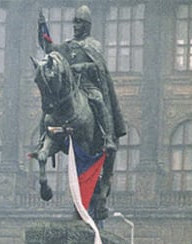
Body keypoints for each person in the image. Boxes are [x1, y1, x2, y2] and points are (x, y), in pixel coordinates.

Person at [38, 5, 126, 153]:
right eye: (74, 22)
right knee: (48, 109)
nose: (75, 26)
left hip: (87, 86)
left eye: (79, 22)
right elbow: (48, 47)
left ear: (86, 25)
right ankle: (42, 140)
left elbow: (99, 67)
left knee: (99, 101)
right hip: (69, 87)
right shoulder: (68, 45)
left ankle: (108, 137)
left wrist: (83, 67)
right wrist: (41, 27)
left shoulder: (93, 45)